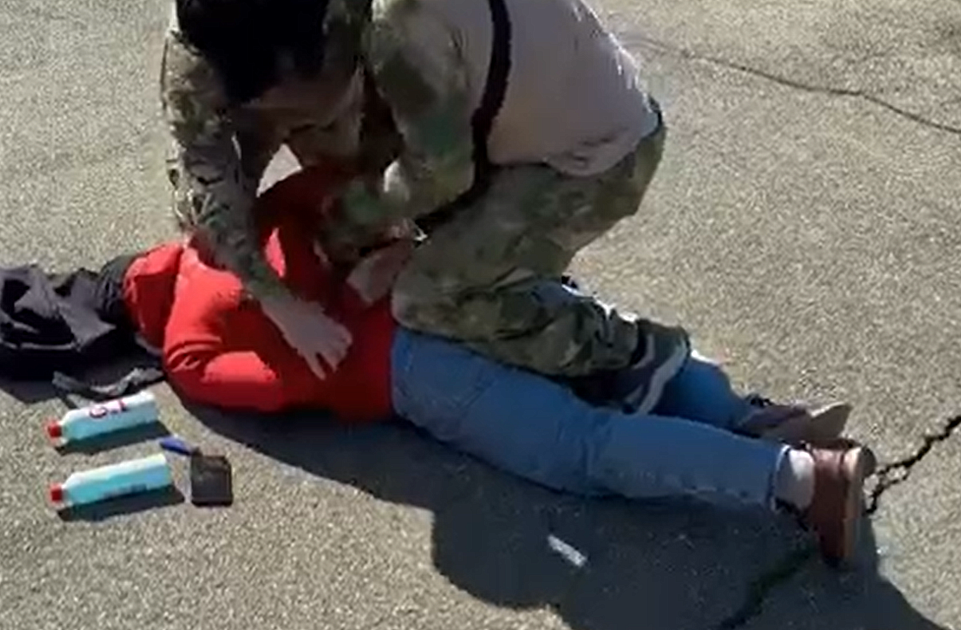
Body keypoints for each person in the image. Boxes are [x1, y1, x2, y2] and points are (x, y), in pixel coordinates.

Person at [111, 166, 873, 567]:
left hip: (411, 368)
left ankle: (800, 479)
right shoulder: (253, 214)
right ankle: (747, 418)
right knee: (612, 350)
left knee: (583, 448)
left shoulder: (186, 351)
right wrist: (382, 260)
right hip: (452, 287)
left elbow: (311, 375)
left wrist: (318, 316)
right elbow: (363, 191)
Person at [161, 0, 692, 414]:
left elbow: (440, 172)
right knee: (256, 212)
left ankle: (628, 350)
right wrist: (278, 300)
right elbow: (207, 186)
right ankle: (488, 271)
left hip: (592, 156)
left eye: (288, 99)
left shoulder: (398, 29)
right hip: (484, 113)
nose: (285, 123)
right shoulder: (202, 34)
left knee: (428, 299)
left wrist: (344, 229)